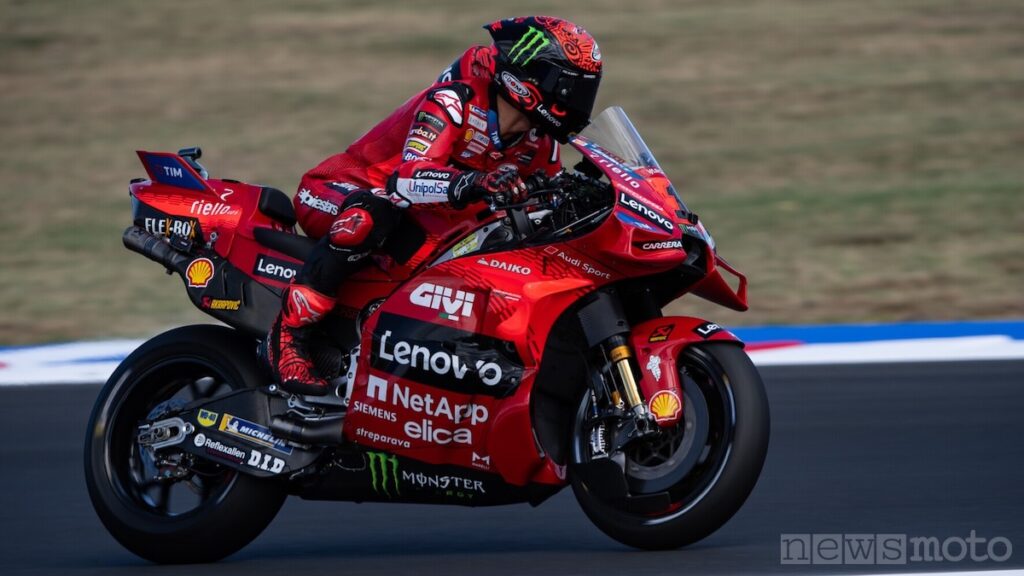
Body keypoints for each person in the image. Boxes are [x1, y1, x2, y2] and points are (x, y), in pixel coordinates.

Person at [267, 16, 603, 396]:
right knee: (370, 216)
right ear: (531, 81)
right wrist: (473, 182)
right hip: (343, 189)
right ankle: (289, 338)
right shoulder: (455, 101)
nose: (576, 102)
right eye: (569, 88)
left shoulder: (540, 143)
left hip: (422, 218)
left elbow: (545, 197)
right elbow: (406, 179)